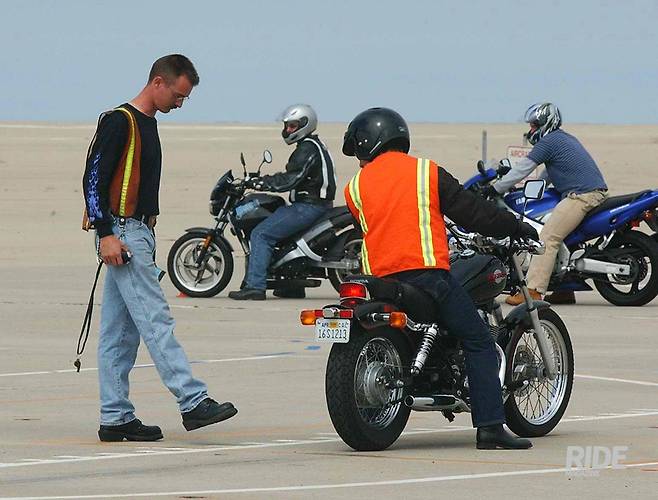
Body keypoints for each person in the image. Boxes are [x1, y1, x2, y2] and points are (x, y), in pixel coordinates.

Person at [342, 107, 538, 450]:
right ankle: (491, 426)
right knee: (478, 340)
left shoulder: (354, 188)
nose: (359, 159)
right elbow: (473, 212)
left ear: (369, 144)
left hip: (378, 281)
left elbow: (375, 227)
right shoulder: (424, 172)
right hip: (425, 277)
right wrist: (516, 226)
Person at [82, 54, 237, 442]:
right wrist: (105, 234)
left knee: (119, 334)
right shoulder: (121, 121)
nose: (179, 104)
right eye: (178, 96)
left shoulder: (147, 124)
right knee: (156, 320)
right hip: (124, 234)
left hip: (137, 234)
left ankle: (115, 417)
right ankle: (192, 401)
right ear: (158, 82)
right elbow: (93, 179)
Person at [484, 103, 608, 305]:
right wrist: (526, 189)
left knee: (547, 239)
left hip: (582, 196)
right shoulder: (562, 139)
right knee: (565, 240)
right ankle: (564, 289)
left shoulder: (548, 142)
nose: (531, 130)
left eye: (534, 125)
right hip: (590, 193)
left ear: (545, 123)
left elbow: (522, 169)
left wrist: (495, 188)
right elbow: (549, 174)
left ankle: (533, 291)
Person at [228, 104, 337, 300]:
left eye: (292, 126)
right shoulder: (313, 145)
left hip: (308, 207)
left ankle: (255, 286)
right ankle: (291, 286)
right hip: (314, 205)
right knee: (283, 236)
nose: (288, 130)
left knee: (261, 234)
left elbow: (289, 180)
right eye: (287, 126)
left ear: (305, 124)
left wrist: (260, 182)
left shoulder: (306, 149)